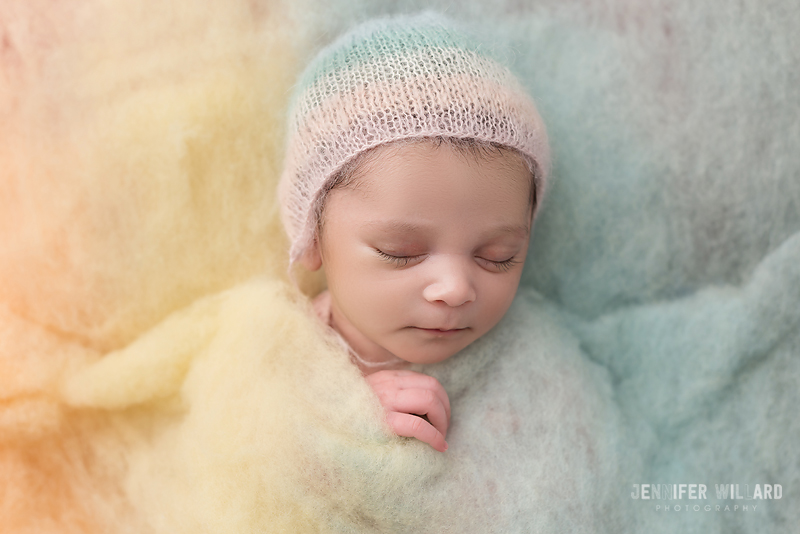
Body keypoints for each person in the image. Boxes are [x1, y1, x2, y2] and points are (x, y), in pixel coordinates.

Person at [278, 12, 549, 453]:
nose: (456, 289)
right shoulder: (282, 355)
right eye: (400, 252)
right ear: (312, 239)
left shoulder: (526, 353)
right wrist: (345, 414)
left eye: (498, 255)